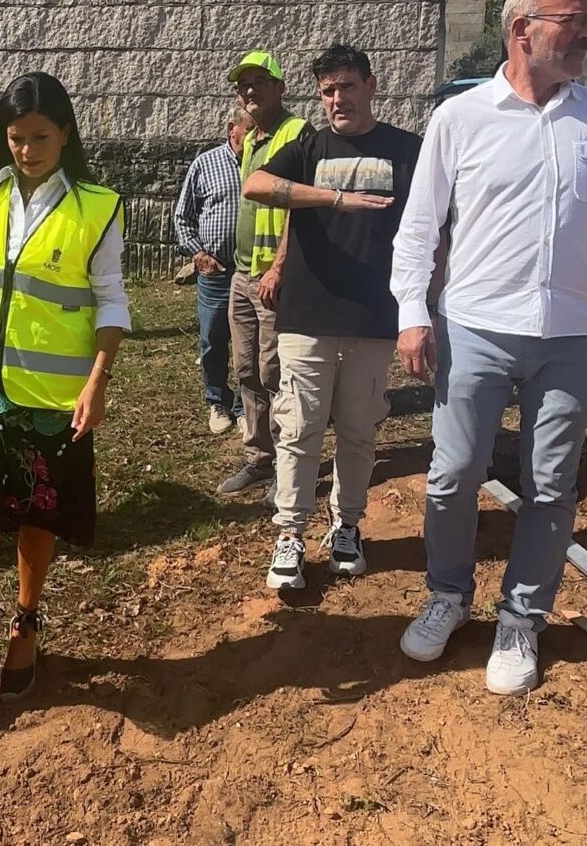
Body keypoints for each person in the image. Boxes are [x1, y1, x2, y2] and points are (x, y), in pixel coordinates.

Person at [391, 0, 587, 695]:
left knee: (551, 484)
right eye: (573, 20)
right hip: (477, 326)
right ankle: (448, 594)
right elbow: (419, 227)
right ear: (523, 29)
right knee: (455, 473)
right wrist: (412, 313)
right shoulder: (460, 118)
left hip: (575, 333)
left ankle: (522, 616)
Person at [0, 72, 130, 709]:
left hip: (52, 395)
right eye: (16, 137)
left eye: (40, 137)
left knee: (37, 512)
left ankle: (26, 619)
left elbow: (111, 300)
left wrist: (98, 382)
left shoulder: (96, 207)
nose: (27, 150)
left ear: (66, 134)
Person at [243, 45, 422, 590]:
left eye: (346, 86)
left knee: (358, 430)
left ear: (371, 85)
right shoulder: (309, 147)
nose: (337, 99)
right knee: (299, 428)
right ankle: (290, 533)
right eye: (327, 91)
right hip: (307, 315)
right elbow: (256, 185)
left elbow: (433, 225)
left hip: (374, 315)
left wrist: (426, 305)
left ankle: (347, 526)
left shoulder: (407, 149)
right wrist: (333, 198)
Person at [218, 51, 312, 497]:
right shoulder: (252, 139)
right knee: (245, 369)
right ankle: (258, 458)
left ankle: (286, 464)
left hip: (275, 277)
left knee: (276, 371)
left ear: (280, 87)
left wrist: (278, 266)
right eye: (243, 85)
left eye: (259, 81)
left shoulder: (298, 133)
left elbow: (300, 206)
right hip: (242, 274)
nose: (250, 90)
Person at [174, 104, 250, 434]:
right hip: (216, 273)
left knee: (250, 343)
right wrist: (199, 254)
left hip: (252, 271)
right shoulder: (205, 164)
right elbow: (183, 217)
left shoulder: (266, 163)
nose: (256, 138)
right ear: (232, 129)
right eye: (250, 131)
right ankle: (217, 401)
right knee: (212, 339)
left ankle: (246, 405)